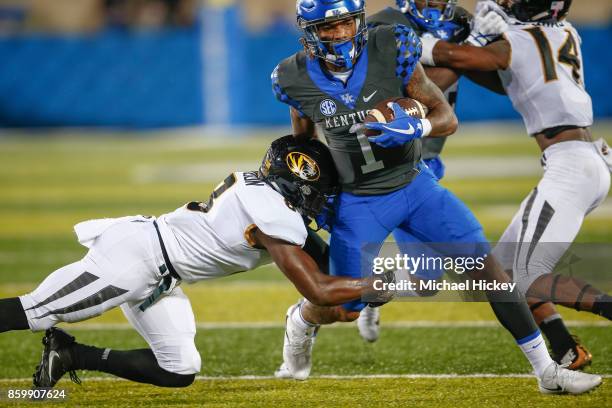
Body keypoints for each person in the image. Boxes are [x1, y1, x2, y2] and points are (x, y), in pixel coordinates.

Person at [270, 0, 602, 394]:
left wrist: (418, 127)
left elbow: (447, 117)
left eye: (345, 24)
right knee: (343, 306)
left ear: (358, 21)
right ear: (308, 32)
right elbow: (305, 143)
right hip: (359, 200)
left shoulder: (391, 45)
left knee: (489, 273)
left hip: (416, 184)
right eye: (328, 28)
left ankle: (547, 372)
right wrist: (313, 188)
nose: (340, 34)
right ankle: (301, 321)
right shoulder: (292, 77)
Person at [0, 136, 393, 389]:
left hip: (161, 277)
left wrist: (361, 287)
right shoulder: (273, 216)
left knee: (179, 369)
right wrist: (374, 286)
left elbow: (324, 264)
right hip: (135, 258)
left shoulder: (265, 193)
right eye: (319, 192)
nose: (322, 201)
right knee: (33, 310)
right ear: (298, 186)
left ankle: (70, 355)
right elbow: (317, 290)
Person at [419, 0, 612, 370]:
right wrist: (474, 44)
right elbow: (504, 79)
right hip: (581, 159)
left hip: (571, 166)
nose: (504, 2)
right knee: (498, 275)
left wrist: (428, 46)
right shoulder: (565, 33)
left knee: (527, 279)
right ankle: (565, 348)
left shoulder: (518, 41)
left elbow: (468, 61)